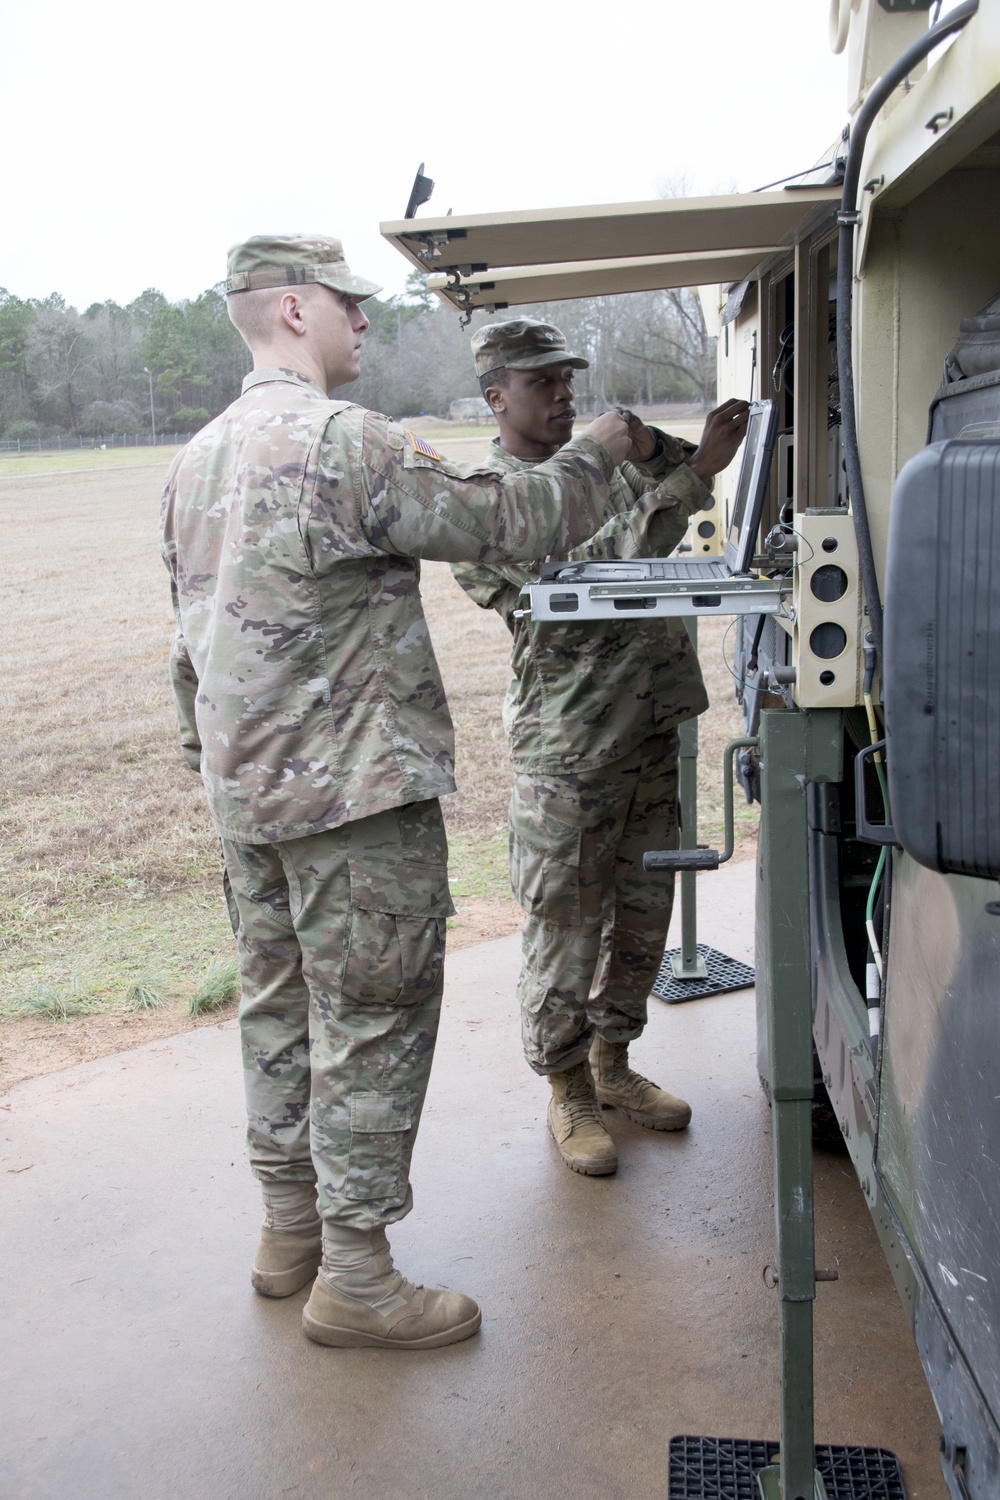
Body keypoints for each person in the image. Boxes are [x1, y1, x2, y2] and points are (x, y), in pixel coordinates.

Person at [159, 236, 681, 1351]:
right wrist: (596, 452)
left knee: (280, 1013)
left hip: (250, 799)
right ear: (294, 311)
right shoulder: (345, 444)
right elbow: (507, 526)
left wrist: (221, 769)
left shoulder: (196, 457)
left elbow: (186, 649)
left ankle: (287, 1233)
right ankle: (356, 1277)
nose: (365, 324)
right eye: (350, 305)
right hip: (354, 800)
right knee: (371, 1025)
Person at [451, 318, 749, 1177]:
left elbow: (687, 470)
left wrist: (658, 446)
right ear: (495, 395)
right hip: (571, 747)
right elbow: (588, 570)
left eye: (568, 379)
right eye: (541, 382)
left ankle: (614, 1063)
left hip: (650, 727)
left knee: (644, 917)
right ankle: (567, 1086)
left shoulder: (601, 463)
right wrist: (686, 476)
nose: (563, 394)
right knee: (565, 929)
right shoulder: (489, 494)